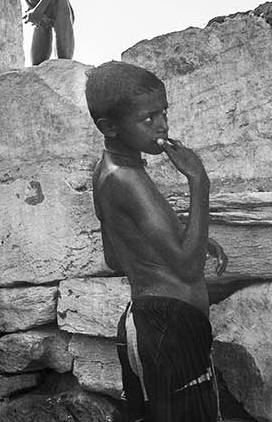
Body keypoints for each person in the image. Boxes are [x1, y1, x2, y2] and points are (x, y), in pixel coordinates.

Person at [86, 60, 227, 422]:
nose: (162, 125)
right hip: (168, 329)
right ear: (109, 127)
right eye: (148, 118)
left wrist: (185, 238)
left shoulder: (106, 172)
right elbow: (188, 268)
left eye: (164, 112)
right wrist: (199, 181)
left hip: (152, 325)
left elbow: (115, 257)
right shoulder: (127, 180)